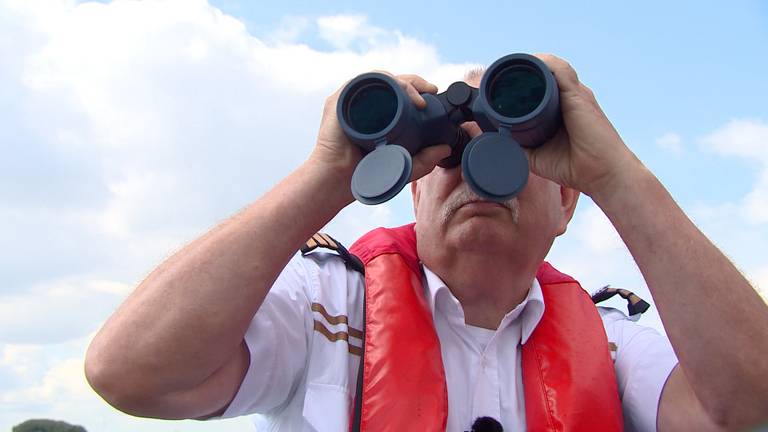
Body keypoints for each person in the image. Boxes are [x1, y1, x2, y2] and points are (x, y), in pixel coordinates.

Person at [84, 54, 768, 431]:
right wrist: (327, 178)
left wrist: (617, 176)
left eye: (507, 154)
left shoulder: (612, 338)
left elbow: (746, 409)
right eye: (446, 158)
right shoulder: (327, 303)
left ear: (565, 201)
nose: (475, 177)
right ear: (414, 189)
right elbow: (131, 373)